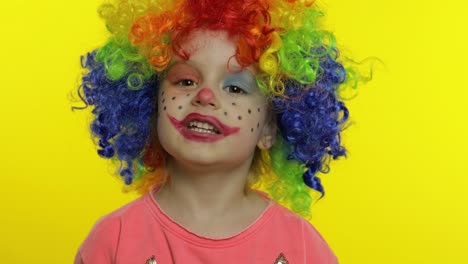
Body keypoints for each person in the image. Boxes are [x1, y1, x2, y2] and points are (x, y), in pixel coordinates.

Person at [74, 0, 354, 263]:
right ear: (150, 102)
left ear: (269, 128)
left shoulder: (303, 248)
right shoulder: (113, 240)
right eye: (185, 81)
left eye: (235, 88)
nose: (205, 96)